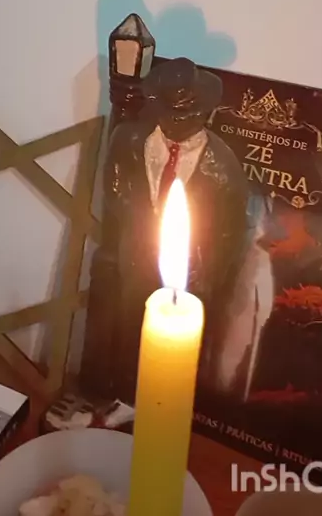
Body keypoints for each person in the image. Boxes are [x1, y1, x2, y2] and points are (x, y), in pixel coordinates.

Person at [104, 57, 253, 402]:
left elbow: (230, 229)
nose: (177, 122)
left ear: (206, 114)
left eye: (187, 115)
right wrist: (142, 225)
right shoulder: (129, 140)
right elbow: (114, 188)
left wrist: (209, 271)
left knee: (177, 347)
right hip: (137, 255)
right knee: (131, 323)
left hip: (192, 270)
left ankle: (166, 402)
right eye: (170, 113)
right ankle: (126, 393)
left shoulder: (222, 167)